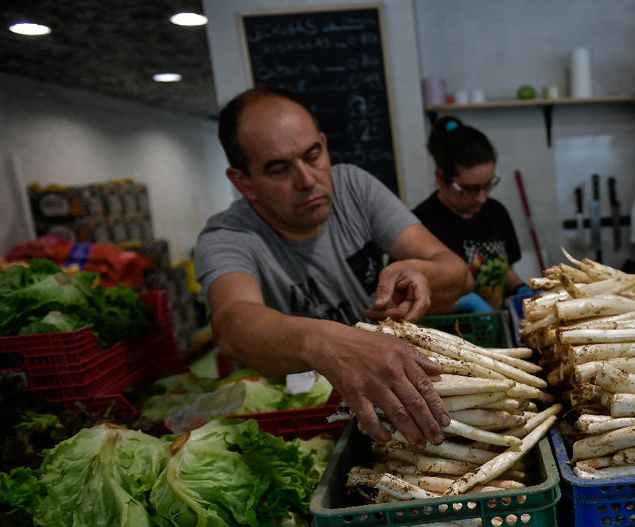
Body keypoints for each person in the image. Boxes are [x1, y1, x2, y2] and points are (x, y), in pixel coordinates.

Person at [193, 87, 473, 446]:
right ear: (243, 183)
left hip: (388, 402)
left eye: (313, 156)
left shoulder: (353, 187)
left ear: (324, 145)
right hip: (298, 428)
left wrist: (423, 273)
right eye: (279, 169)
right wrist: (325, 342)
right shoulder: (226, 236)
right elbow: (233, 324)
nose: (307, 180)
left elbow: (456, 272)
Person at [413, 116, 530, 312]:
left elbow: (506, 270)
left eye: (488, 185)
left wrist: (521, 289)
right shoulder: (419, 224)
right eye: (469, 189)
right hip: (448, 335)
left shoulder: (496, 213)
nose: (481, 198)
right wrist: (460, 304)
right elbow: (407, 295)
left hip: (495, 329)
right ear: (441, 177)